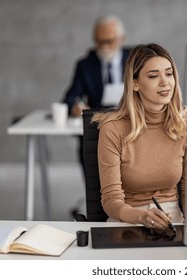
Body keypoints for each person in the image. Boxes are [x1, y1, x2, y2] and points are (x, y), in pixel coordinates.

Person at [92, 43, 187, 230]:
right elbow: (111, 199)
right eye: (153, 76)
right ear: (135, 83)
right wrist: (142, 217)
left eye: (169, 74)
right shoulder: (112, 128)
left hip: (173, 221)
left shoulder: (185, 125)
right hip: (127, 220)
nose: (164, 82)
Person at [63, 15, 130, 168]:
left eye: (109, 41)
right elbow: (69, 98)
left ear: (121, 39)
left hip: (130, 123)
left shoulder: (135, 61)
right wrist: (75, 107)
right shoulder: (85, 65)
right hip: (98, 128)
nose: (103, 47)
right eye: (98, 42)